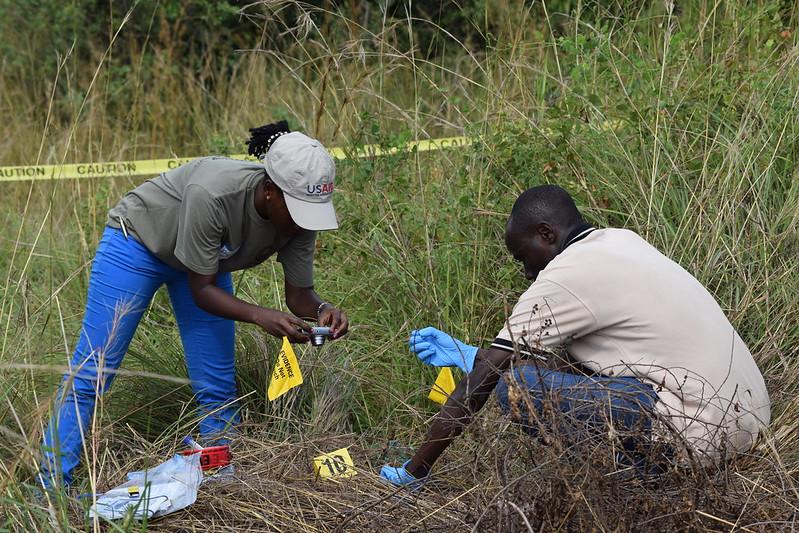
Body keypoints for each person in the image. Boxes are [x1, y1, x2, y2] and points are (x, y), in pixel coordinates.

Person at [380, 184, 770, 487]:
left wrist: (416, 470)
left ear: (546, 233)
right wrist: (476, 355)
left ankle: (641, 486)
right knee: (537, 374)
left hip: (697, 429)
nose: (527, 273)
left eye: (522, 257)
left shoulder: (565, 276)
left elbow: (484, 383)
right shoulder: (622, 241)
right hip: (748, 422)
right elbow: (573, 368)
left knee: (517, 389)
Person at [40, 121, 348, 488]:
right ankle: (50, 486)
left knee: (217, 385)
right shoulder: (215, 193)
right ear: (270, 191)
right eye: (298, 208)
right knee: (93, 372)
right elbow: (201, 291)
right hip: (139, 245)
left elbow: (299, 297)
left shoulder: (300, 219)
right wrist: (260, 316)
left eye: (312, 210)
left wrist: (322, 310)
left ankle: (221, 478)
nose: (304, 222)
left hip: (204, 262)